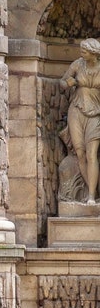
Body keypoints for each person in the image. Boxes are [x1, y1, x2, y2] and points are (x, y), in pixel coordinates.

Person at [60, 38, 100, 204]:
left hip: (96, 112)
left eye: (84, 51)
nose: (81, 53)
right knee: (80, 153)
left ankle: (91, 195)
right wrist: (68, 83)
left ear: (93, 53)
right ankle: (94, 192)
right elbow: (62, 83)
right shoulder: (77, 64)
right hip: (76, 110)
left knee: (92, 154)